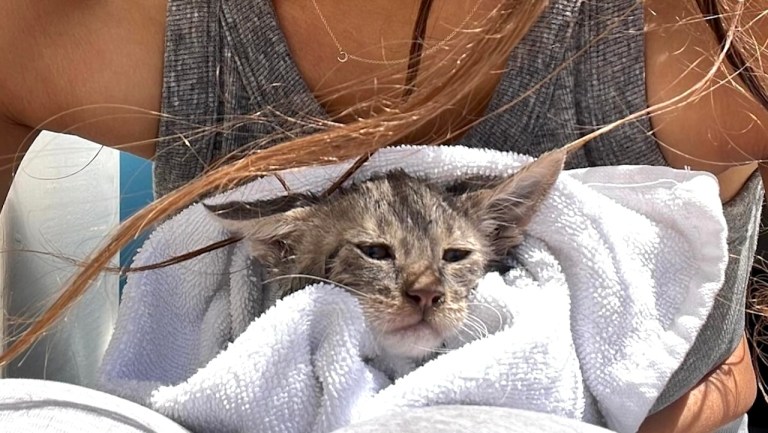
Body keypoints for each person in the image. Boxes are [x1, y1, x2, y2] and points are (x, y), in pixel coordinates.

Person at [0, 0, 763, 432]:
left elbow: (725, 372)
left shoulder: (728, 43)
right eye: (376, 254)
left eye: (452, 263)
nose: (427, 286)